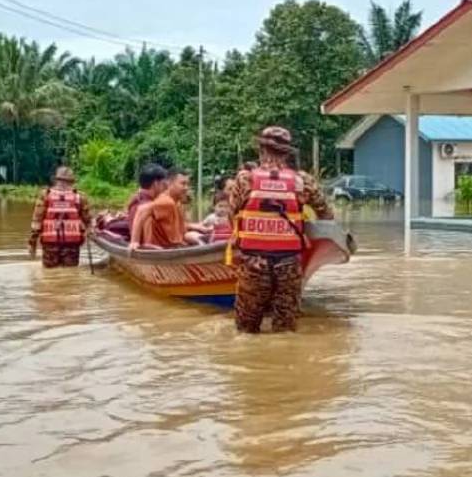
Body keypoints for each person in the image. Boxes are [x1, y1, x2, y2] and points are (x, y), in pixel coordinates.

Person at [226, 126, 333, 333]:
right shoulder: (303, 181)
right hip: (289, 264)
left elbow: (232, 214)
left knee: (246, 330)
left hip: (253, 263)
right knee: (285, 329)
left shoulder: (245, 179)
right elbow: (326, 216)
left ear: (261, 149)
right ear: (287, 152)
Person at [28, 166, 92, 268]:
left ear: (56, 180)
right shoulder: (80, 197)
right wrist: (88, 233)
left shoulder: (45, 195)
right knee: (70, 274)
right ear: (72, 181)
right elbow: (88, 222)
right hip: (72, 245)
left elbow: (36, 222)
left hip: (50, 244)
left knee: (49, 275)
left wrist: (32, 244)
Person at [131, 168, 204, 249]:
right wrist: (134, 241)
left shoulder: (176, 203)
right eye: (183, 184)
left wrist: (199, 229)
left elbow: (182, 233)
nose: (186, 188)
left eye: (187, 184)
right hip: (162, 250)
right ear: (169, 183)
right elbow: (141, 210)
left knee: (200, 237)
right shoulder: (167, 201)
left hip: (173, 246)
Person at [125, 164, 168, 232]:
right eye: (163, 184)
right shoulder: (147, 206)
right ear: (156, 184)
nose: (165, 188)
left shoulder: (137, 198)